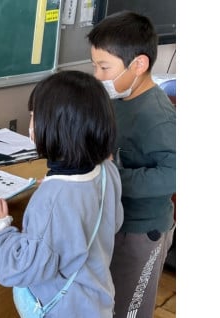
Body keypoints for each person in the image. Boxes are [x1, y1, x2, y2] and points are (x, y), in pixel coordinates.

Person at [0, 70, 124, 317]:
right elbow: (114, 220)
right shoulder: (106, 170)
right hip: (96, 302)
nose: (31, 126)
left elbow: (22, 269)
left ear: (57, 126)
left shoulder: (52, 200)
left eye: (34, 117)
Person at [87, 11, 176, 318]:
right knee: (112, 302)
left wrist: (115, 177)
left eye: (104, 67)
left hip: (143, 232)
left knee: (132, 308)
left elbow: (175, 173)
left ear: (139, 64)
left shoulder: (157, 116)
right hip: (115, 222)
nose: (98, 75)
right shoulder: (118, 99)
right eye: (95, 65)